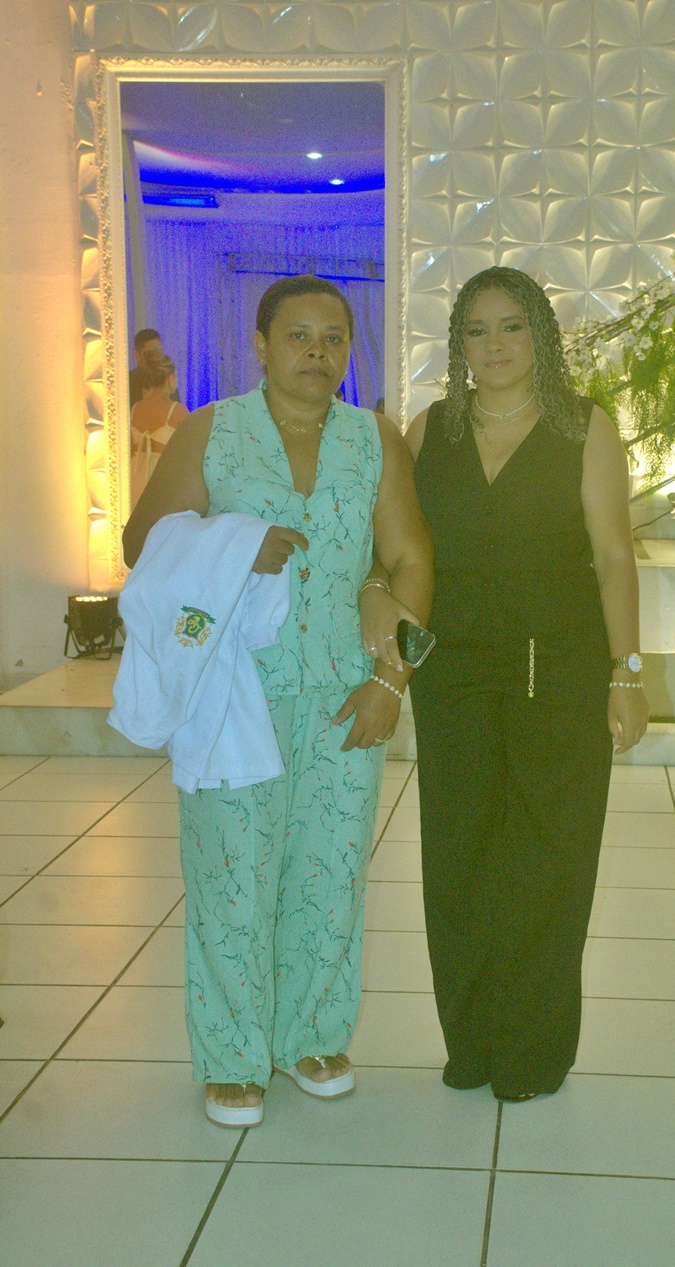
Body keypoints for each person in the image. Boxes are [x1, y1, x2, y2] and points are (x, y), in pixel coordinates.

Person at [123, 275, 433, 1127]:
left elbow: (411, 559)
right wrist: (235, 542)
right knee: (231, 873)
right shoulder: (212, 431)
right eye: (298, 336)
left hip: (344, 692)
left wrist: (389, 682)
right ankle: (234, 1053)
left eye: (334, 338)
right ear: (260, 344)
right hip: (235, 697)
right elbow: (141, 542)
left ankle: (310, 1035)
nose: (317, 353)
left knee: (330, 872)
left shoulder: (374, 439)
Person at [363, 266, 648, 1102]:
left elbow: (614, 556)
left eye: (511, 326)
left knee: (548, 861)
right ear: (459, 344)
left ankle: (532, 1049)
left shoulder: (583, 426)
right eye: (477, 330)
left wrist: (627, 670)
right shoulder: (430, 430)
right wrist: (378, 602)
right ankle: (473, 1042)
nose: (494, 345)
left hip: (558, 673)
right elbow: (393, 548)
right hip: (453, 675)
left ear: (540, 337)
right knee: (459, 859)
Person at [129, 349, 188, 506]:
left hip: (136, 475)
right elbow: (189, 453)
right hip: (164, 478)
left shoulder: (135, 409)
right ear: (170, 378)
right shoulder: (177, 410)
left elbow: (129, 449)